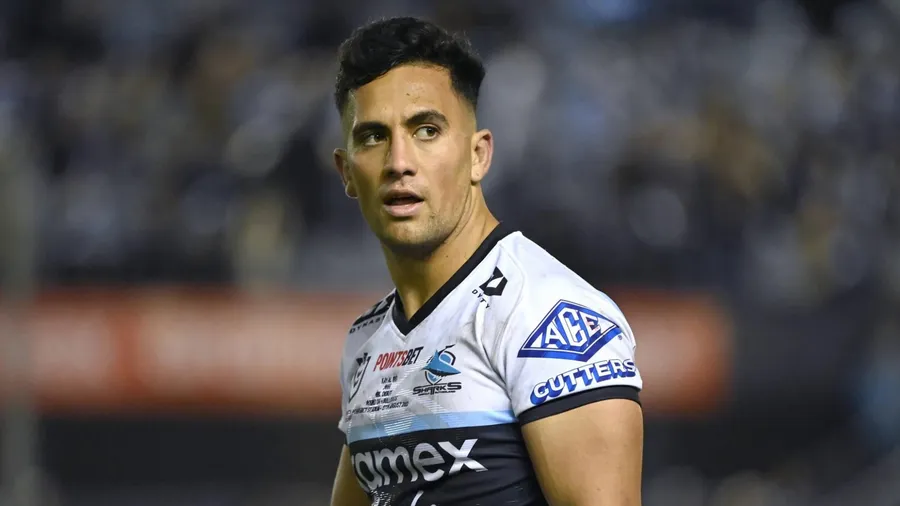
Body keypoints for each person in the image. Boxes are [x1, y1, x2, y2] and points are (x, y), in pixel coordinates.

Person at [328, 16, 643, 506]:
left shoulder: (545, 314)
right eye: (372, 136)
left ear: (478, 155)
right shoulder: (365, 342)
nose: (399, 162)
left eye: (426, 130)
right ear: (346, 172)